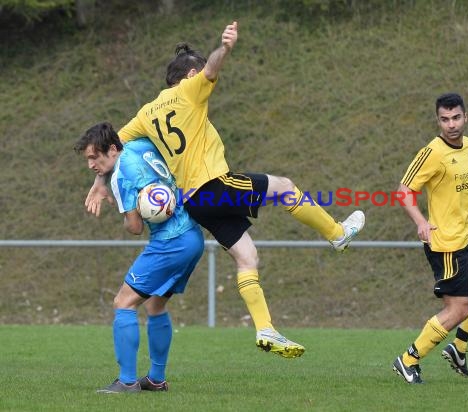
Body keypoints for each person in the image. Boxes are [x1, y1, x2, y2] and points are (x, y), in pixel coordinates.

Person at [84, 21, 365, 358]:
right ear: (190, 75)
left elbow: (113, 143)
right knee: (285, 187)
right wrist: (225, 48)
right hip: (214, 185)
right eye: (198, 73)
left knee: (247, 257)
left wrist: (100, 182)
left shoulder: (146, 112)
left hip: (195, 203)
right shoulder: (189, 91)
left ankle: (266, 328)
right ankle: (336, 234)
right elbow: (212, 69)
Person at [75, 122, 204, 393]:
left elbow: (135, 228)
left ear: (111, 149)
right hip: (192, 234)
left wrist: (122, 209)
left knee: (123, 302)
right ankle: (156, 380)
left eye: (93, 157)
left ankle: (127, 381)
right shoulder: (138, 145)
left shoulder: (121, 177)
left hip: (169, 243)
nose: (90, 165)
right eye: (87, 159)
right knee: (155, 305)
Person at [392, 93, 468, 384]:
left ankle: (458, 347)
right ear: (438, 121)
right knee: (458, 308)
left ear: (465, 117)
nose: (451, 124)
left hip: (466, 238)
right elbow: (403, 191)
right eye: (445, 119)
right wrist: (421, 221)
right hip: (445, 244)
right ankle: (408, 360)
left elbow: (466, 183)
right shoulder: (432, 152)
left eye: (456, 117)